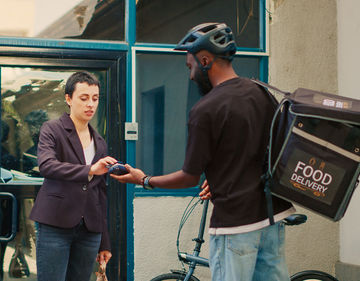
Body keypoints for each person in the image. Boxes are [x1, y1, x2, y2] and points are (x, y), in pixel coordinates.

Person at [111, 23, 295, 281]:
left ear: (205, 60)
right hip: (271, 218)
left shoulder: (206, 109)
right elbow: (266, 152)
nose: (190, 75)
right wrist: (219, 177)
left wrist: (143, 179)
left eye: (190, 66)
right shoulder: (262, 93)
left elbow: (188, 177)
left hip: (235, 225)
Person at [29, 71, 115, 280]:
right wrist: (89, 170)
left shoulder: (100, 141)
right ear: (68, 99)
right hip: (55, 223)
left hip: (90, 230)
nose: (90, 105)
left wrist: (104, 241)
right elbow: (47, 166)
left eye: (95, 99)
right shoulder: (52, 129)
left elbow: (100, 193)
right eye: (84, 98)